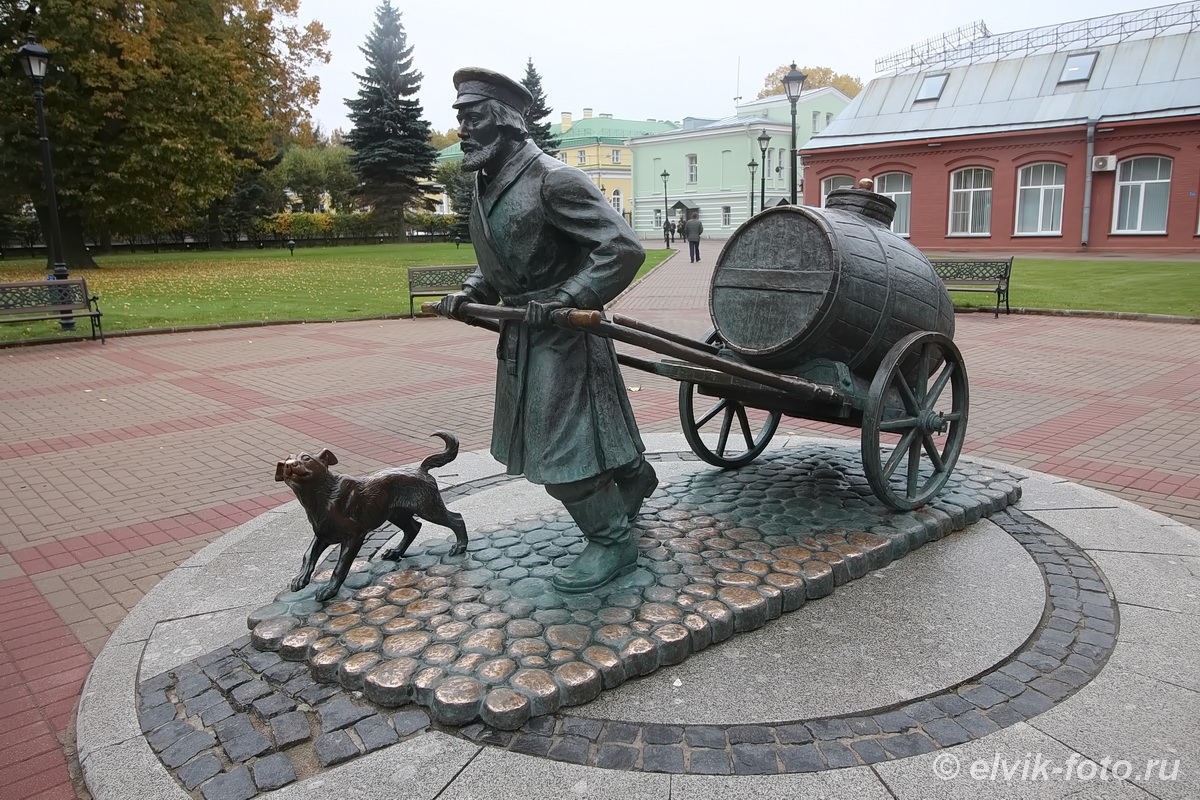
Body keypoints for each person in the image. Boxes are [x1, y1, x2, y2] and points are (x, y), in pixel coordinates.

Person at [437, 67, 658, 594]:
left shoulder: (555, 179)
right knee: (577, 431)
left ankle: (611, 542)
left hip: (565, 334)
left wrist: (568, 297)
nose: (462, 131)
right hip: (524, 334)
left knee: (559, 450)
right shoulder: (485, 182)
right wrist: (474, 291)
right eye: (460, 119)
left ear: (505, 122)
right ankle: (634, 479)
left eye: (472, 118)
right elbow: (500, 257)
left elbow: (622, 249)